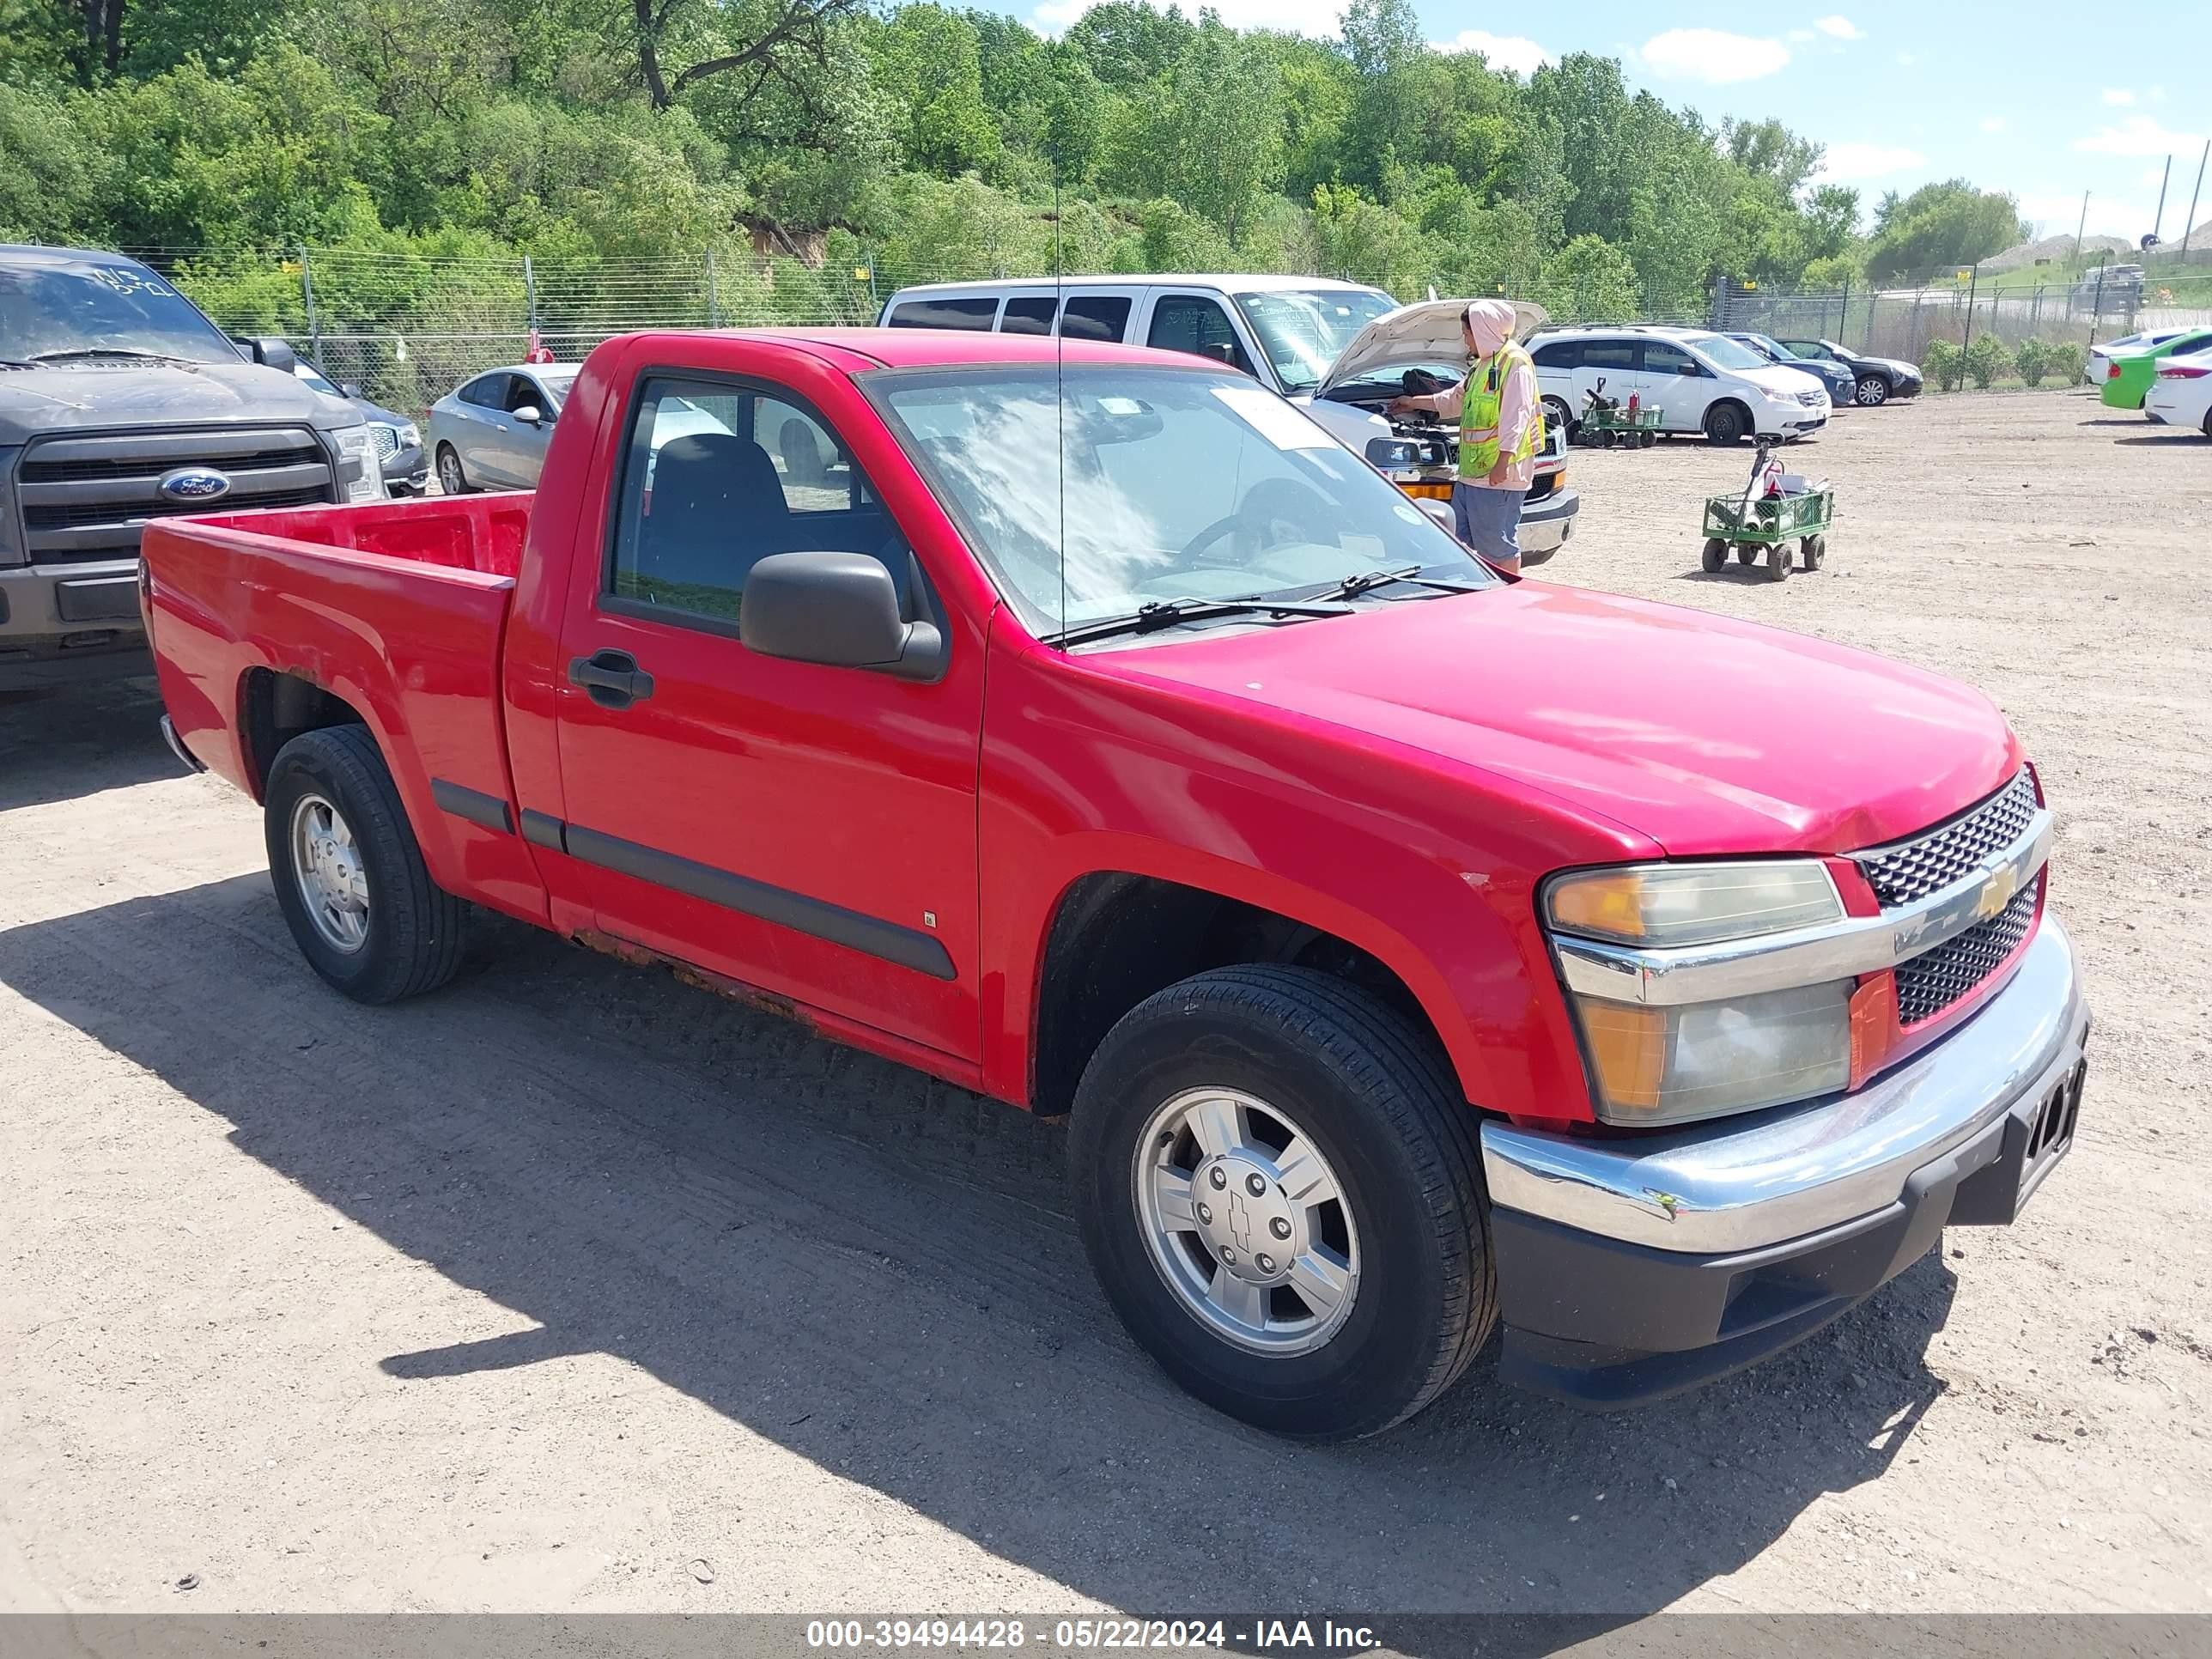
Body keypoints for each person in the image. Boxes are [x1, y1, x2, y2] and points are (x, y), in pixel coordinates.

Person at [1387, 299, 1540, 574]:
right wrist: (1412, 402)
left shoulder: (1515, 364)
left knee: (1498, 547)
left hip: (1499, 477)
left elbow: (1516, 414)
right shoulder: (1482, 366)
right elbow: (1453, 400)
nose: (1465, 340)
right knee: (1461, 542)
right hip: (1472, 475)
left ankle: (1506, 602)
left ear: (1481, 330)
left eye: (1466, 333)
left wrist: (1503, 460)